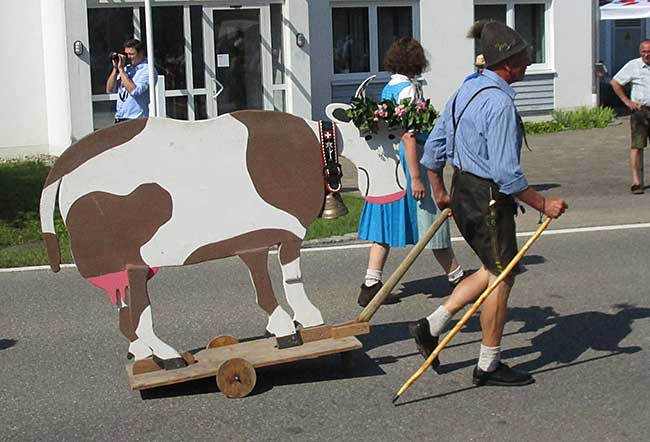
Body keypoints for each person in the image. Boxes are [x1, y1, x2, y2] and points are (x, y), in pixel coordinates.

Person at [414, 21, 567, 386]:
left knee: (490, 266)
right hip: (488, 199)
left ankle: (430, 326)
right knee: (502, 275)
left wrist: (440, 190)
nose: (529, 62)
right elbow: (507, 175)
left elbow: (434, 149)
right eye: (525, 57)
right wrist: (543, 203)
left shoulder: (466, 90)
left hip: (464, 190)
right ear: (509, 63)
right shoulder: (498, 103)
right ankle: (488, 365)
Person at [357, 37, 464, 308]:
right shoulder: (409, 89)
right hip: (411, 159)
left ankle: (371, 282)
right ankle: (457, 277)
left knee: (387, 220)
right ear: (417, 61)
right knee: (432, 218)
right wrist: (416, 177)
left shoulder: (388, 87)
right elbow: (408, 134)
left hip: (392, 161)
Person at [610, 39, 650, 194]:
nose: (647, 54)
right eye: (644, 51)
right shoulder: (633, 66)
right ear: (640, 52)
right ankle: (636, 181)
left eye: (649, 51)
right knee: (637, 146)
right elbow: (615, 82)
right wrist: (627, 101)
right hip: (640, 111)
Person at [105, 39, 155, 123]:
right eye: (126, 54)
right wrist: (115, 68)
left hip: (136, 120)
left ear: (141, 53)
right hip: (120, 118)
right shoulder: (126, 69)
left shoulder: (147, 70)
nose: (128, 57)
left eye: (131, 54)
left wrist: (121, 70)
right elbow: (109, 90)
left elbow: (135, 91)